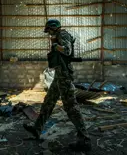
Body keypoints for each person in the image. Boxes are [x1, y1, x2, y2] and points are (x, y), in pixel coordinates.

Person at [23, 19, 91, 152]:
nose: (48, 33)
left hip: (64, 76)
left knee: (71, 107)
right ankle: (37, 129)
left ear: (54, 28)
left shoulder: (63, 35)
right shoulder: (58, 36)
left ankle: (85, 140)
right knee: (48, 102)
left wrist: (55, 46)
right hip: (59, 76)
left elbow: (66, 50)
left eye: (49, 30)